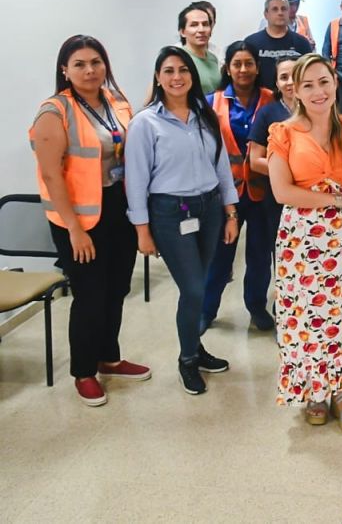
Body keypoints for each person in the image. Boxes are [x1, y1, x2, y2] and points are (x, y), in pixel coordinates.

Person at [29, 35, 148, 406]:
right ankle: (83, 371)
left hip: (118, 206)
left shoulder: (116, 101)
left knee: (117, 289)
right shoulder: (54, 111)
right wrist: (76, 230)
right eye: (79, 64)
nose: (90, 70)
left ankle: (108, 357)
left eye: (96, 62)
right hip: (78, 218)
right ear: (64, 69)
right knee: (90, 296)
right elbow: (51, 176)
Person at [266, 53, 342, 431]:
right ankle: (314, 390)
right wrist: (338, 200)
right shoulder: (283, 132)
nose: (317, 91)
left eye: (323, 81)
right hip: (302, 239)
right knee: (307, 316)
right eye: (307, 84)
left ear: (335, 82)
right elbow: (282, 191)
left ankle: (340, 392)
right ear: (295, 90)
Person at [126, 46, 237, 395]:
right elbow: (136, 179)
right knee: (191, 289)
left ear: (192, 75)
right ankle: (187, 359)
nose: (177, 77)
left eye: (183, 70)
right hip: (170, 213)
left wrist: (231, 212)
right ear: (158, 78)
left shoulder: (206, 116)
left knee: (200, 285)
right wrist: (142, 231)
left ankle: (196, 348)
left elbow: (222, 168)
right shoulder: (145, 122)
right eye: (169, 71)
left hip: (208, 208)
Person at [200, 41, 276, 333]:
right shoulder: (212, 102)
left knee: (259, 256)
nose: (243, 70)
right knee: (219, 256)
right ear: (228, 68)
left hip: (262, 191)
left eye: (249, 64)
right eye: (237, 64)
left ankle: (256, 307)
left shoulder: (272, 100)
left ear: (257, 68)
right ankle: (207, 310)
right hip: (224, 195)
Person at [248, 57, 297, 244]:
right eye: (284, 77)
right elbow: (255, 160)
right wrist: (293, 172)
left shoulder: (319, 111)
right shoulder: (267, 113)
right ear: (277, 83)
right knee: (284, 254)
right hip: (279, 198)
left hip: (317, 196)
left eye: (295, 75)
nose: (290, 82)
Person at [245, 0, 313, 90]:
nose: (280, 13)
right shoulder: (251, 42)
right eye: (275, 9)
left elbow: (309, 74)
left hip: (293, 99)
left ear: (288, 12)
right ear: (266, 14)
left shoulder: (302, 43)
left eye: (284, 9)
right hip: (260, 100)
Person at [178, 3, 220, 94]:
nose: (201, 30)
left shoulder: (213, 58)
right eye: (194, 25)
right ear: (182, 32)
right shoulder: (178, 59)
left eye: (205, 24)